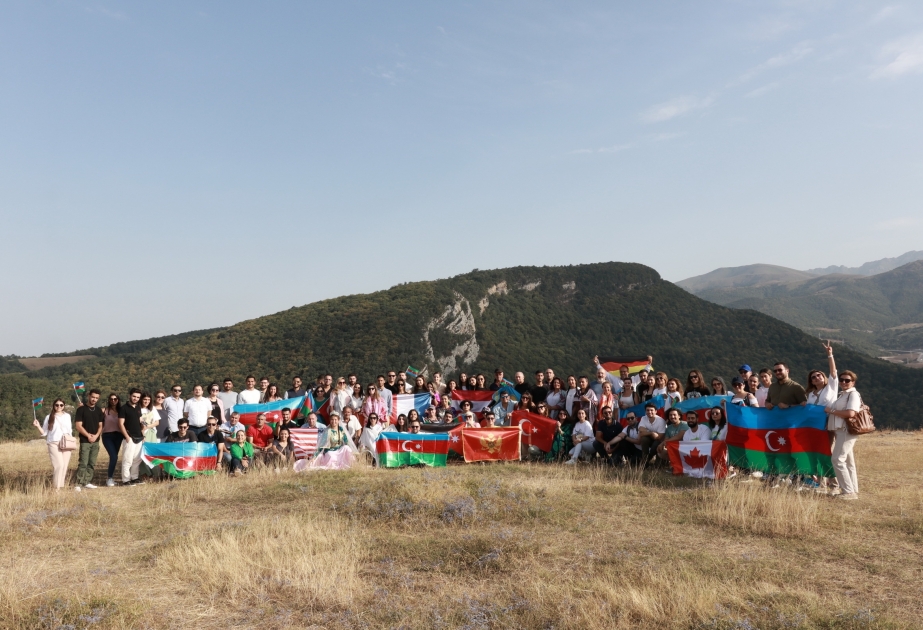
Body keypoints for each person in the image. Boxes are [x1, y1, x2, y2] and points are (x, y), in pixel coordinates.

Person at [825, 370, 863, 500]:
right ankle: (853, 489)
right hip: (840, 430)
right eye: (841, 380)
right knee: (848, 461)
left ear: (853, 382)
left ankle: (848, 492)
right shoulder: (843, 394)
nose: (844, 382)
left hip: (846, 430)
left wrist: (831, 410)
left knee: (837, 459)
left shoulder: (853, 394)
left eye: (847, 380)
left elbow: (851, 413)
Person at [32, 398, 73, 490]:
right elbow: (44, 432)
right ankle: (56, 488)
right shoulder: (49, 417)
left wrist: (71, 439)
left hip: (66, 442)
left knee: (64, 466)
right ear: (54, 406)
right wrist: (38, 426)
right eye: (57, 405)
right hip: (54, 443)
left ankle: (60, 486)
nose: (59, 407)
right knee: (59, 465)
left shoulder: (67, 416)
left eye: (61, 405)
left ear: (64, 406)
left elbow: (70, 430)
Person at [74, 389, 104, 490]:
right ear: (88, 396)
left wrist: (96, 436)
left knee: (92, 463)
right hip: (85, 441)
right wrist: (88, 436)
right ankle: (78, 483)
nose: (94, 399)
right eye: (93, 397)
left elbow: (101, 425)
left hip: (96, 441)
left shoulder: (98, 410)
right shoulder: (81, 409)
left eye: (96, 398)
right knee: (83, 462)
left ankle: (87, 481)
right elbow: (78, 426)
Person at [118, 388, 146, 485]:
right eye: (134, 396)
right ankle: (126, 480)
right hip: (129, 437)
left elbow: (140, 420)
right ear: (130, 395)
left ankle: (134, 477)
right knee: (127, 460)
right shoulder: (123, 408)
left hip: (139, 437)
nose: (136, 398)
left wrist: (143, 429)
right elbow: (120, 424)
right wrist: (126, 436)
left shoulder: (138, 407)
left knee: (137, 460)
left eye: (138, 397)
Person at [806, 341, 839, 408]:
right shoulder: (811, 395)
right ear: (812, 382)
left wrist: (830, 355)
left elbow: (833, 372)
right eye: (813, 377)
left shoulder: (831, 387)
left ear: (824, 377)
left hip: (828, 415)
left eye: (819, 375)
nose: (817, 378)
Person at [101, 393, 123, 487]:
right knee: (114, 456)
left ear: (118, 400)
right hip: (107, 436)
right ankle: (109, 478)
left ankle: (111, 477)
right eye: (111, 399)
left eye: (115, 399)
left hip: (118, 436)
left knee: (114, 457)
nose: (113, 401)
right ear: (109, 400)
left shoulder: (121, 411)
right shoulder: (104, 410)